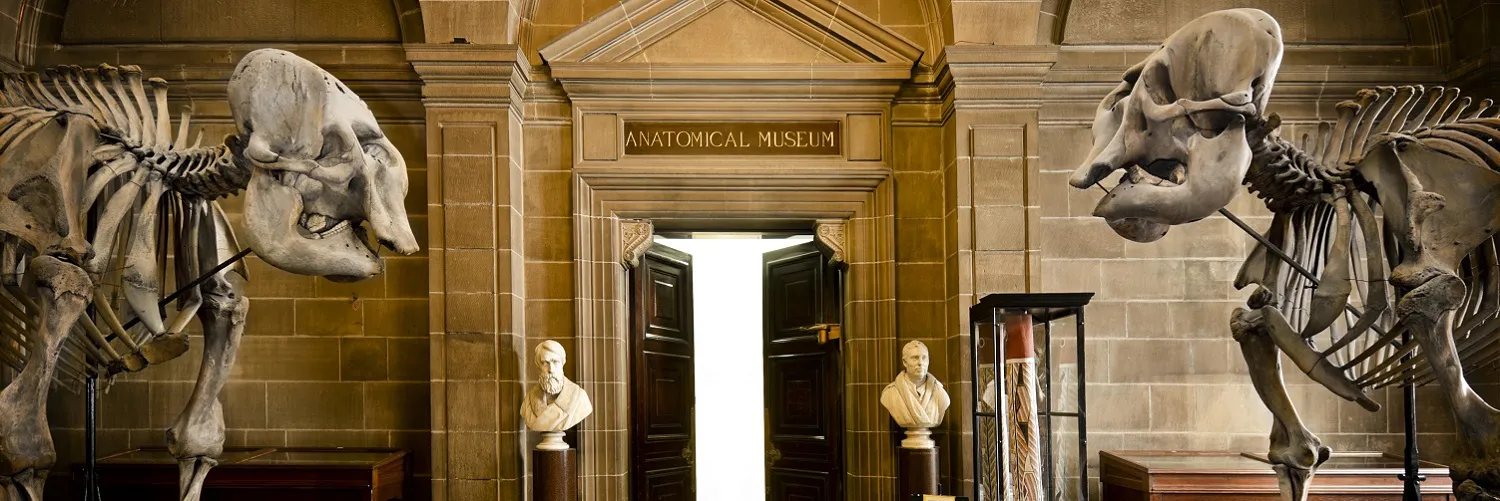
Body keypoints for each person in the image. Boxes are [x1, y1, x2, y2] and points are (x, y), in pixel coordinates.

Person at [520, 340, 593, 431]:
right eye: (545, 363)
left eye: (555, 362)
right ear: (538, 366)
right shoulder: (529, 401)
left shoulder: (579, 398)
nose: (551, 369)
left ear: (563, 363)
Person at [880, 340, 951, 428]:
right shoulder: (890, 394)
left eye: (924, 358)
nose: (920, 363)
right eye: (915, 358)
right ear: (905, 362)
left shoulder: (940, 395)